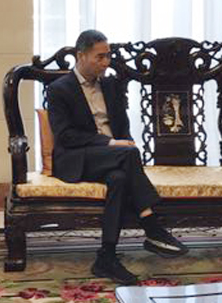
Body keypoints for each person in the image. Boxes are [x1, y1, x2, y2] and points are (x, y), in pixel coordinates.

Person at [48, 29, 188, 284]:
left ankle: (107, 257)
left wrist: (123, 142)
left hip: (113, 159)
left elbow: (122, 127)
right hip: (77, 158)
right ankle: (152, 225)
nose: (106, 62)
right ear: (81, 56)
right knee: (128, 154)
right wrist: (112, 143)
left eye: (108, 56)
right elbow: (65, 135)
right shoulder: (59, 89)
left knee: (119, 179)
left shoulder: (111, 85)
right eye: (100, 57)